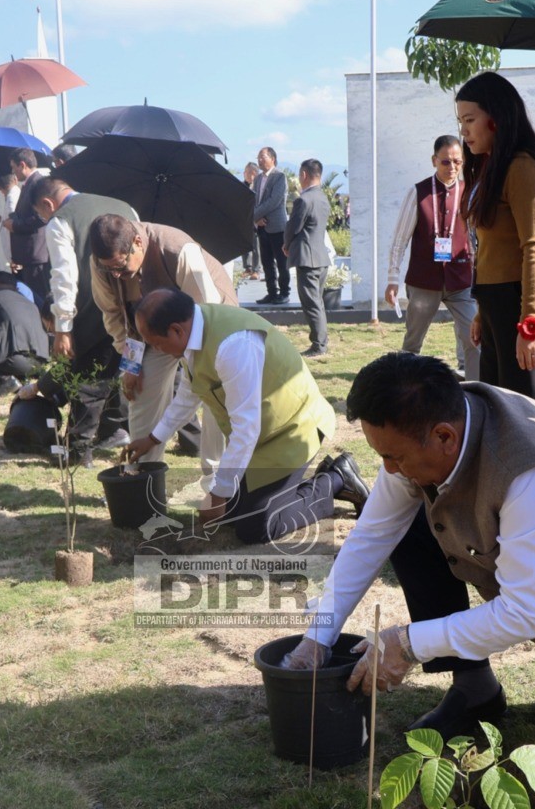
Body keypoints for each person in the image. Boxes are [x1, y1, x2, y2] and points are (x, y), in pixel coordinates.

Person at [281, 353, 535, 748]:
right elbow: (372, 535)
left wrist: (407, 643)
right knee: (411, 527)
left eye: (394, 457)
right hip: (531, 574)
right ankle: (475, 690)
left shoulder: (533, 469)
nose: (387, 469)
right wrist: (318, 636)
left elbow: (524, 612)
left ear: (443, 437)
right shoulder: (425, 431)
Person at [125, 289, 368, 543]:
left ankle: (335, 479)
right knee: (232, 513)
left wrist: (219, 495)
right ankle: (292, 488)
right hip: (260, 439)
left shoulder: (233, 346)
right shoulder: (191, 338)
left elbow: (245, 429)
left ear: (176, 330)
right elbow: (189, 394)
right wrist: (153, 438)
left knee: (258, 527)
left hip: (293, 431)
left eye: (155, 342)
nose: (157, 349)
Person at [454, 72, 535, 413]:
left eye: (470, 120)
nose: (464, 131)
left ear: (496, 118)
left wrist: (531, 323)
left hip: (520, 304)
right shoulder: (491, 168)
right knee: (502, 415)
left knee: (532, 416)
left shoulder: (521, 167)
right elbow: (490, 249)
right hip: (495, 305)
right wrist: (480, 311)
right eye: (460, 121)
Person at [88, 213, 235, 479]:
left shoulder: (178, 251)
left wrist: (197, 365)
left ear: (137, 242)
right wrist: (131, 363)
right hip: (151, 334)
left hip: (208, 327)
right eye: (109, 269)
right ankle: (143, 476)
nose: (116, 275)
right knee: (139, 393)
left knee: (214, 395)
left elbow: (208, 314)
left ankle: (218, 480)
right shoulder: (101, 264)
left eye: (120, 266)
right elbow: (114, 315)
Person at [26, 177, 138, 453]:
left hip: (91, 311)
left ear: (46, 203)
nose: (44, 218)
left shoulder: (61, 221)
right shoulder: (125, 207)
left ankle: (79, 448)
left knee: (87, 380)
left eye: (41, 214)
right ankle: (116, 429)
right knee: (122, 369)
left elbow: (64, 278)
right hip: (132, 307)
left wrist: (63, 329)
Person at [385, 136, 480, 380]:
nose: (452, 167)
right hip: (423, 280)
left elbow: (475, 238)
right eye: (445, 162)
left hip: (461, 280)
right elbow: (399, 239)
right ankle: (405, 386)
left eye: (457, 162)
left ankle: (474, 388)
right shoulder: (418, 192)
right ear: (434, 161)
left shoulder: (469, 191)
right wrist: (392, 278)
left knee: (474, 336)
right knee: (413, 341)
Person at [284, 158, 331, 357]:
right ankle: (322, 341)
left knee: (311, 303)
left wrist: (286, 244)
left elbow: (293, 227)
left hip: (307, 258)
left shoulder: (303, 200)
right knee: (317, 302)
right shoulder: (322, 197)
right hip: (320, 257)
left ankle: (318, 345)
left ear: (304, 175)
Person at [5, 149, 51, 306]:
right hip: (28, 257)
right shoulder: (29, 184)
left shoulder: (38, 183)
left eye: (13, 167)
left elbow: (41, 216)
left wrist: (15, 225)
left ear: (22, 165)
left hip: (36, 256)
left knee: (39, 301)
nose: (13, 172)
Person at [251, 147, 290, 305]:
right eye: (258, 157)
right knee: (267, 262)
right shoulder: (258, 179)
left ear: (272, 158)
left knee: (282, 262)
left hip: (277, 226)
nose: (260, 160)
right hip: (262, 227)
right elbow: (254, 200)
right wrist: (256, 219)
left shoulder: (280, 176)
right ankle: (272, 292)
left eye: (263, 157)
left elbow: (274, 201)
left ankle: (285, 293)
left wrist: (254, 215)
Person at [241, 161, 262, 279]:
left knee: (255, 246)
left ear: (254, 173)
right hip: (244, 219)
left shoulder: (258, 186)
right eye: (245, 172)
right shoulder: (241, 185)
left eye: (248, 172)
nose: (245, 174)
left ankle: (256, 269)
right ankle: (247, 267)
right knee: (244, 244)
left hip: (256, 220)